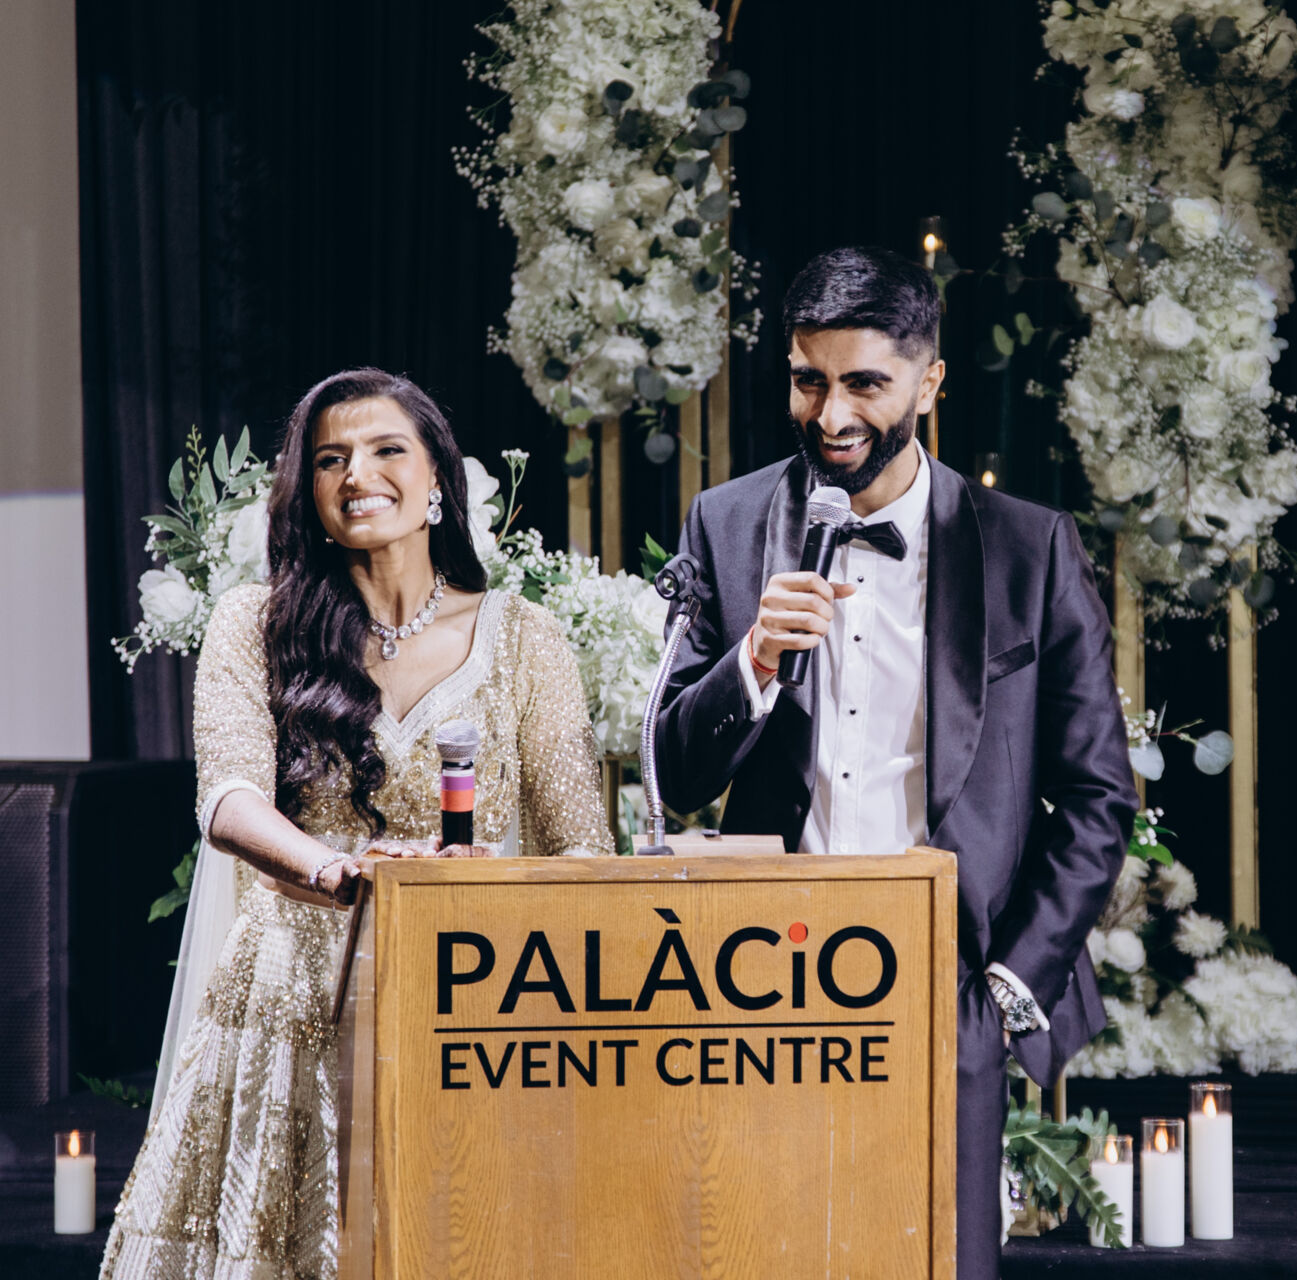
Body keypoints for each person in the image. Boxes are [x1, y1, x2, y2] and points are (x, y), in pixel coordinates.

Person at [655, 247, 1135, 1279]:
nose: (831, 414)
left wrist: (1008, 985)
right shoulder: (726, 524)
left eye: (864, 383)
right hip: (761, 977)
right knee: (766, 1254)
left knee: (940, 1260)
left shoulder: (1030, 547)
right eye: (807, 380)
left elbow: (1099, 796)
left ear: (929, 381)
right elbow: (674, 775)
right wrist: (753, 661)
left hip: (950, 978)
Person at [101, 368, 613, 1279]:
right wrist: (339, 873)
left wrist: (482, 899)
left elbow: (582, 845)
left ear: (437, 479)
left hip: (470, 991)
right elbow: (227, 799)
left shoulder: (525, 638)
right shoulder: (256, 624)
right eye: (329, 459)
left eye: (386, 451)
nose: (356, 476)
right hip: (293, 992)